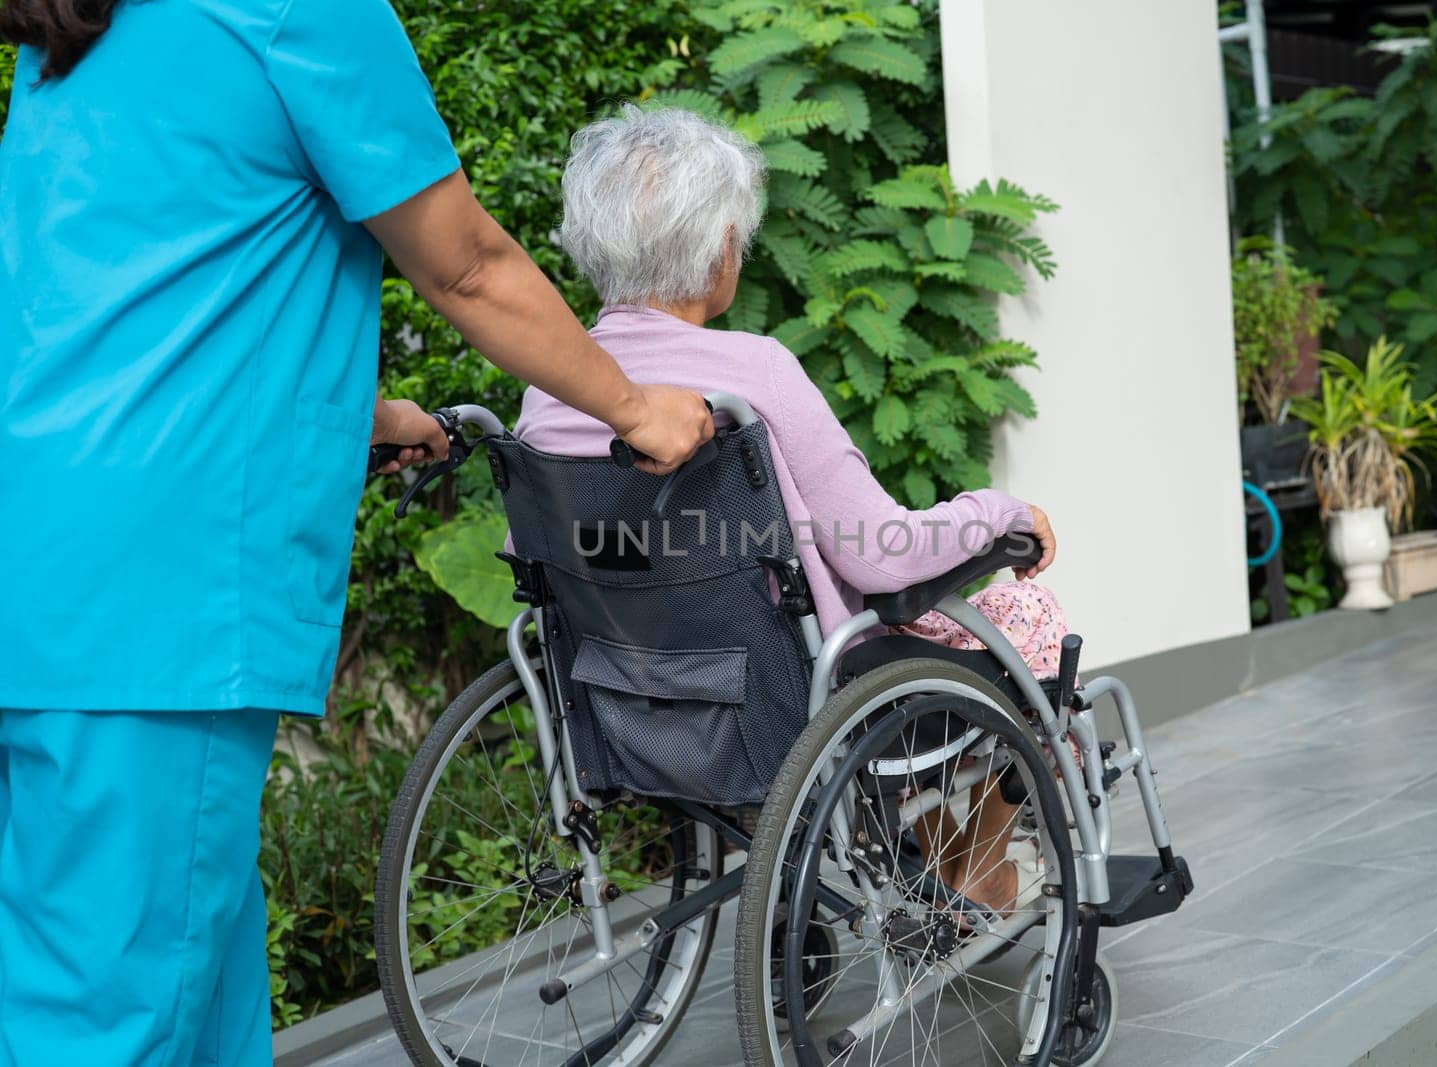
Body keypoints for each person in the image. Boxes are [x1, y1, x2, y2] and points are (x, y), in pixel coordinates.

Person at [0, 1, 712, 1063]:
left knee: (192, 993)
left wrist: (337, 414)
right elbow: (464, 261)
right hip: (156, 601)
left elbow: (112, 295)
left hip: (51, 568)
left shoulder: (79, 33)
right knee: (113, 1019)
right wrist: (636, 407)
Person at [514, 105, 1071, 920]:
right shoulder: (754, 373)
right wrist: (999, 512)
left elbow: (546, 557)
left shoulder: (548, 392)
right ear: (717, 253)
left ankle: (945, 848)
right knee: (1022, 610)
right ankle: (980, 857)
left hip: (624, 698)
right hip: (785, 699)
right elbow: (882, 556)